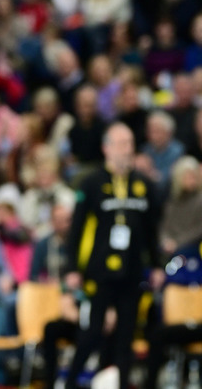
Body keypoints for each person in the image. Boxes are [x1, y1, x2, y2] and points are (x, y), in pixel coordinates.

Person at [63, 123, 164, 389]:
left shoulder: (143, 184)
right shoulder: (91, 182)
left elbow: (151, 231)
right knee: (93, 332)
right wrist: (71, 268)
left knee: (125, 336)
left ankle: (119, 383)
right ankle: (69, 382)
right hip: (99, 272)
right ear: (106, 148)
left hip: (131, 272)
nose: (127, 150)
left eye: (130, 143)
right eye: (121, 144)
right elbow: (76, 230)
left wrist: (157, 265)